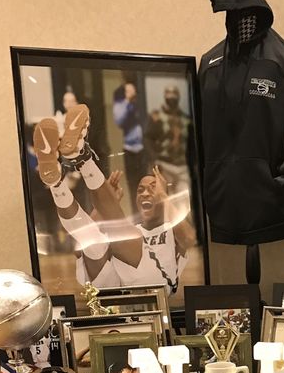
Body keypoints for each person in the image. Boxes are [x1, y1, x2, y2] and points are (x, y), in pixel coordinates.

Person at [33, 104, 192, 294]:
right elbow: (83, 236)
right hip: (113, 284)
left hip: (155, 284)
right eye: (140, 189)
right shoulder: (136, 230)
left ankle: (79, 158)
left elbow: (189, 239)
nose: (145, 193)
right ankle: (57, 182)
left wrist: (164, 196)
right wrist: (105, 206)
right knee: (91, 241)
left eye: (153, 188)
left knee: (122, 231)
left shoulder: (171, 230)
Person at [112, 79, 145, 211]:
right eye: (128, 91)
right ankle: (136, 216)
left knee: (145, 184)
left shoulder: (140, 104)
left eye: (133, 90)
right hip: (129, 149)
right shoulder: (120, 105)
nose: (131, 93)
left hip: (142, 149)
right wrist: (127, 101)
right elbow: (120, 121)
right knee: (133, 186)